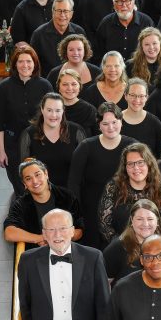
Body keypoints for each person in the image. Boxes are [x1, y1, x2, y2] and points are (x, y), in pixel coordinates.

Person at [67, 103, 134, 248]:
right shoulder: (86, 147)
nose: (110, 127)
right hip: (91, 209)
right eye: (105, 123)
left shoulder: (132, 146)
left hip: (123, 208)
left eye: (114, 122)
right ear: (99, 125)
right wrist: (76, 214)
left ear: (121, 122)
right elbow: (74, 183)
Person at [0, 46, 53, 190]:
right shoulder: (4, 87)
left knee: (40, 185)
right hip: (13, 144)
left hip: (39, 142)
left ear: (35, 64)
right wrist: (1, 151)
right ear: (14, 64)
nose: (25, 65)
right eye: (21, 62)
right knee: (19, 185)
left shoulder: (45, 86)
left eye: (29, 61)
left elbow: (53, 118)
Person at [97, 142, 161, 244]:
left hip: (153, 249)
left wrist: (148, 246)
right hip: (121, 246)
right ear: (125, 167)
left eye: (140, 162)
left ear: (149, 164)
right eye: (130, 164)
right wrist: (123, 245)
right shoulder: (113, 187)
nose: (136, 168)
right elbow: (104, 224)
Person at [3, 158, 83, 248]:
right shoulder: (20, 204)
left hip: (67, 250)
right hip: (36, 255)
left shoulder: (67, 197)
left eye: (38, 175)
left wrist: (54, 239)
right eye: (28, 179)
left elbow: (79, 231)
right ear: (24, 184)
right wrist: (40, 238)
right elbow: (9, 233)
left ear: (46, 174)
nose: (35, 181)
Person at [102, 198, 161, 284]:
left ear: (157, 221)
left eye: (150, 219)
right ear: (131, 221)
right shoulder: (117, 247)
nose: (145, 224)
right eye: (139, 219)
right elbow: (105, 281)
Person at [17, 92, 84, 190]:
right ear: (42, 110)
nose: (53, 115)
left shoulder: (77, 131)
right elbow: (25, 171)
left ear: (63, 111)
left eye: (57, 110)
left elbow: (84, 167)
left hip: (71, 192)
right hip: (41, 192)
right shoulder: (28, 134)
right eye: (49, 110)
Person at [29, 0, 87, 76]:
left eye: (66, 11)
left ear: (71, 14)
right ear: (52, 12)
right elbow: (33, 64)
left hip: (74, 82)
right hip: (47, 81)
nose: (62, 14)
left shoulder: (79, 32)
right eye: (59, 11)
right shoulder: (38, 34)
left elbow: (85, 60)